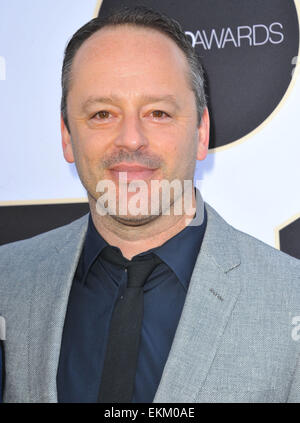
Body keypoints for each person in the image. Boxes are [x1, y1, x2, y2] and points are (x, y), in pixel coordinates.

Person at [1, 6, 300, 403]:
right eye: (102, 113)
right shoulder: (9, 281)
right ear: (67, 137)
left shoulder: (289, 296)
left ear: (201, 131)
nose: (131, 139)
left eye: (158, 113)